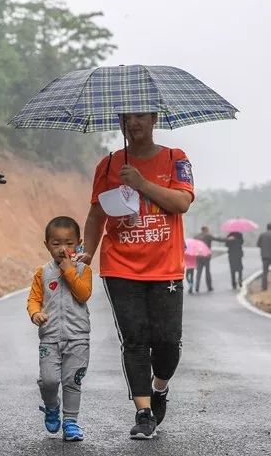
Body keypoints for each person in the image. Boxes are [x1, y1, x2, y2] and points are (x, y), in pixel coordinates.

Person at [78, 112, 194, 440]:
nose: (133, 123)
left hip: (165, 269)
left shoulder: (175, 159)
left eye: (140, 116)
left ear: (154, 118)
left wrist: (141, 183)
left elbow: (182, 202)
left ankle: (160, 388)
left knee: (168, 342)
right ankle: (143, 412)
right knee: (135, 341)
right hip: (120, 267)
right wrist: (88, 250)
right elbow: (96, 213)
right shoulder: (109, 164)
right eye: (126, 118)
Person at [27, 216, 93, 442]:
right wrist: (35, 313)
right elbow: (34, 299)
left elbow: (83, 294)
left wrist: (68, 270)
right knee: (49, 380)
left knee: (72, 381)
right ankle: (51, 406)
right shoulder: (42, 272)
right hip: (50, 337)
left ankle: (71, 422)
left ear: (79, 243)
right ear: (47, 245)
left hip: (78, 338)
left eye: (69, 243)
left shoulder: (84, 269)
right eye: (56, 244)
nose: (63, 249)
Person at [193, 226, 226, 292]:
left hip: (198, 256)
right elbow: (218, 239)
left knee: (199, 272)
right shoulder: (208, 236)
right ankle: (209, 287)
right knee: (207, 272)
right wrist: (228, 239)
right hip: (206, 256)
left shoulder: (196, 236)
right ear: (206, 230)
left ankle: (197, 287)